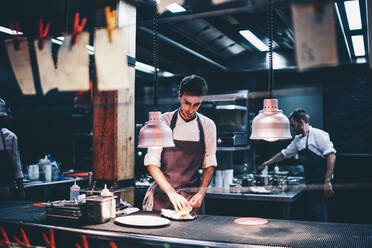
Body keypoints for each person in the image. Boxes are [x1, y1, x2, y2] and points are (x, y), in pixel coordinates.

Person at [142, 75, 217, 213]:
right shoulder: (163, 122)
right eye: (187, 103)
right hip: (163, 197)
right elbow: (152, 163)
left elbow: (209, 164)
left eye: (196, 104)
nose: (191, 109)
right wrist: (171, 193)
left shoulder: (208, 125)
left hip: (190, 200)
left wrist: (201, 193)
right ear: (179, 96)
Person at [257, 109, 336, 221]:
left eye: (293, 125)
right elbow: (284, 154)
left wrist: (327, 181)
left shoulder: (318, 135)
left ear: (302, 122)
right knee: (312, 214)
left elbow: (331, 156)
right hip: (309, 180)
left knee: (320, 214)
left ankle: (323, 236)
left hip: (321, 182)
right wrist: (265, 163)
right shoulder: (298, 140)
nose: (292, 129)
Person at [0, 98, 25, 200]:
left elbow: (17, 168)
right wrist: (22, 192)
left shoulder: (8, 136)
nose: (10, 118)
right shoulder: (9, 137)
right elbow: (16, 168)